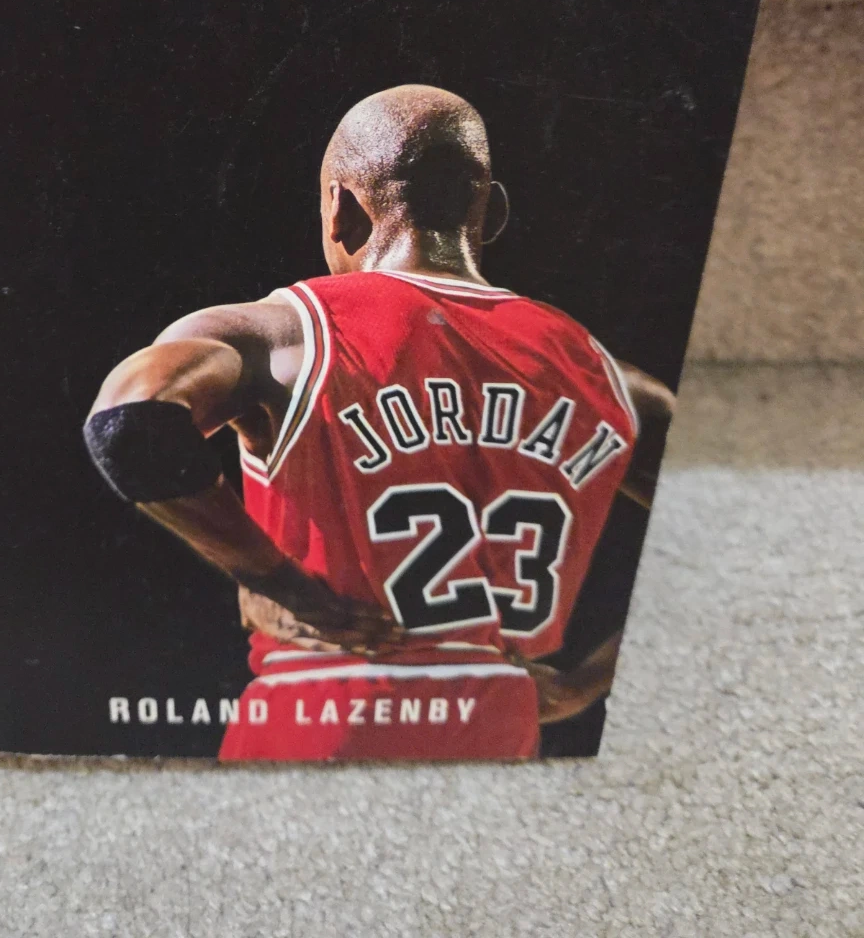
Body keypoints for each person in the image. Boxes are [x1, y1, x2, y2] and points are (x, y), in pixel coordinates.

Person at [84, 84, 674, 761]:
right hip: (496, 725)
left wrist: (275, 580)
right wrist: (584, 683)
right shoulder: (604, 376)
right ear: (492, 214)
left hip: (324, 713)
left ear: (339, 209)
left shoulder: (288, 334)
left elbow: (128, 423)